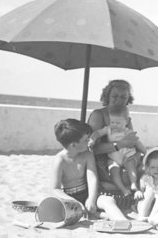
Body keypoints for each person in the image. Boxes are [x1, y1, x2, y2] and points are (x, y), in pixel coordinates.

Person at [88, 80, 141, 218]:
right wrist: (120, 144)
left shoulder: (125, 117)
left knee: (157, 163)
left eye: (123, 97)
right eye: (115, 96)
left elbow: (131, 140)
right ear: (107, 97)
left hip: (124, 157)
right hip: (103, 162)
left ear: (128, 99)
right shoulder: (98, 115)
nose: (119, 100)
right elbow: (91, 150)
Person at [89, 105, 146, 197]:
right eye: (112, 122)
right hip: (114, 158)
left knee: (131, 166)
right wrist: (92, 139)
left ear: (126, 122)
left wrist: (146, 153)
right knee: (113, 171)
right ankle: (123, 189)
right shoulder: (108, 129)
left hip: (127, 156)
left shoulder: (127, 131)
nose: (114, 125)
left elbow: (137, 142)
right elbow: (97, 133)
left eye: (118, 123)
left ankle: (133, 183)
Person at [51, 119, 98, 216]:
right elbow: (55, 189)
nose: (89, 141)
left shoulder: (88, 155)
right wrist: (73, 202)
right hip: (68, 197)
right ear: (73, 145)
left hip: (86, 193)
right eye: (86, 140)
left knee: (108, 201)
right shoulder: (60, 160)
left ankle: (124, 222)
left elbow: (92, 178)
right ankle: (98, 215)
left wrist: (91, 199)